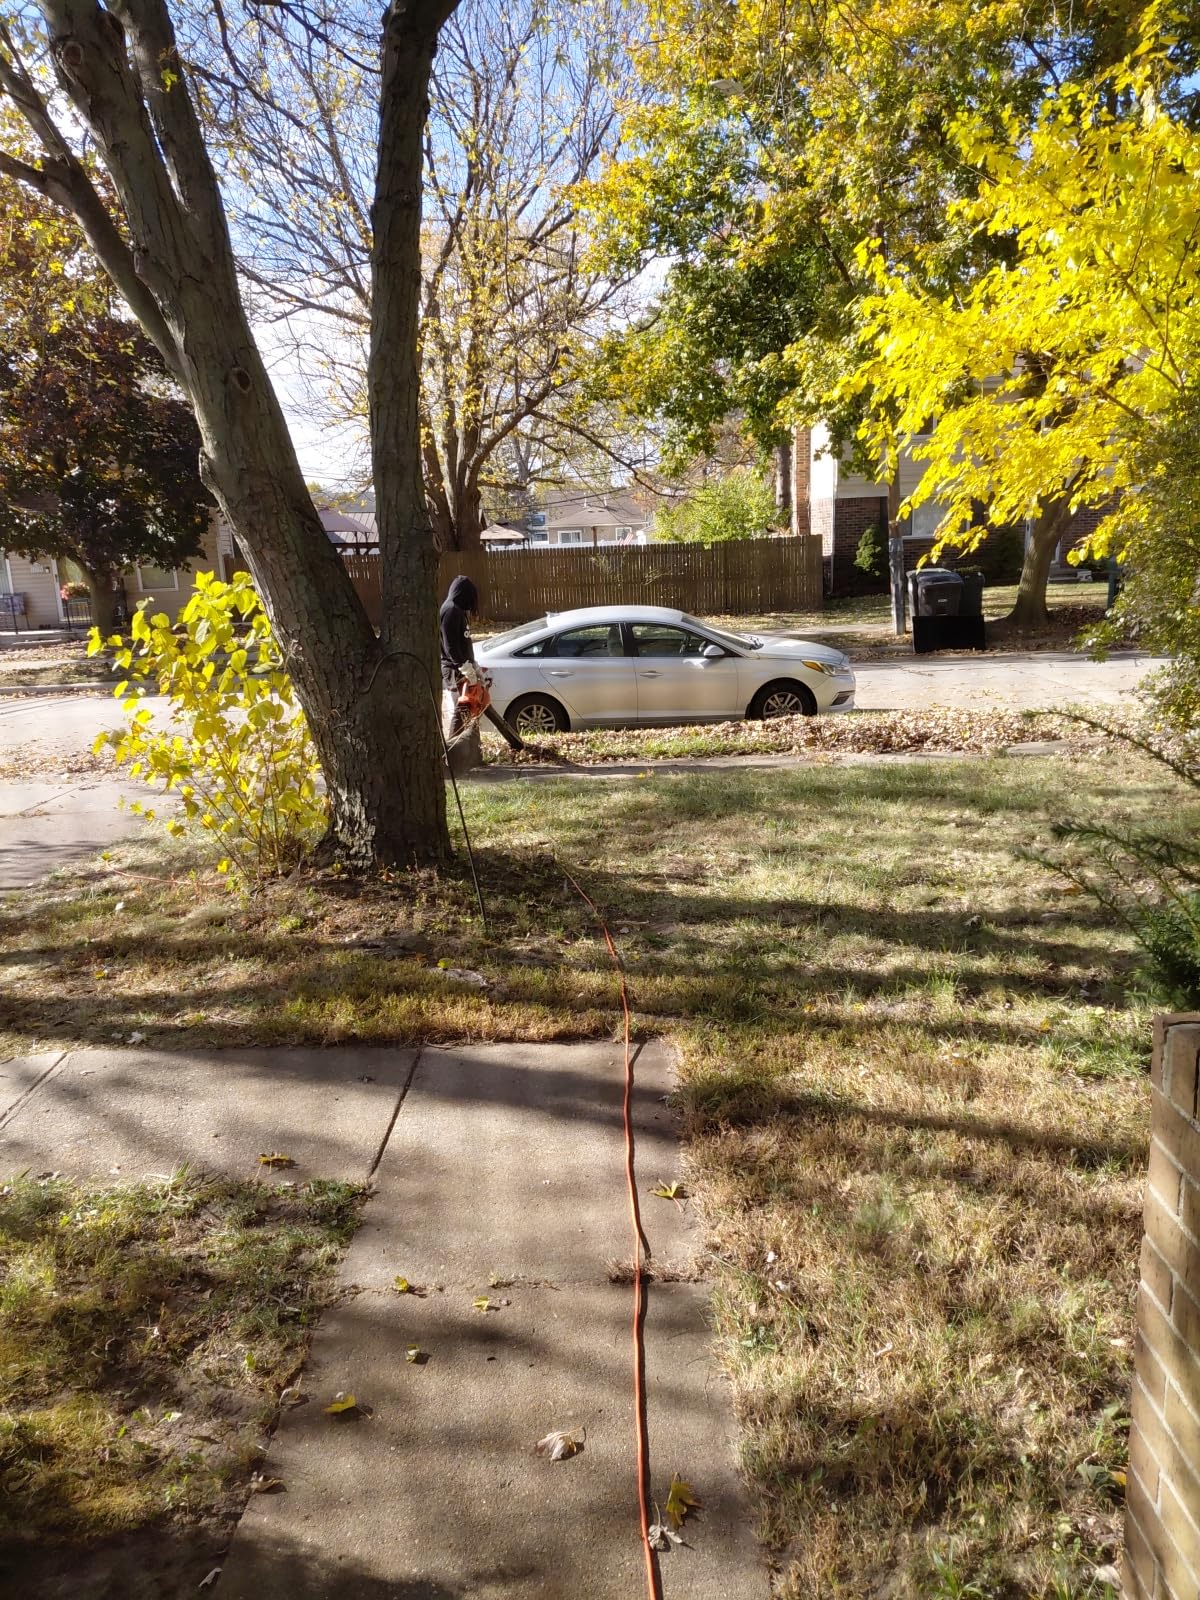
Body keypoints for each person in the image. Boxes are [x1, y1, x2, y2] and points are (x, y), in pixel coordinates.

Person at [439, 575, 525, 751]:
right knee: (463, 708)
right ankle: (454, 751)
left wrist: (474, 666)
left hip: (464, 667)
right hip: (455, 670)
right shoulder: (450, 611)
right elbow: (451, 647)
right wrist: (466, 669)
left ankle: (470, 750)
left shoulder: (459, 611)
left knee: (474, 708)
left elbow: (464, 643)